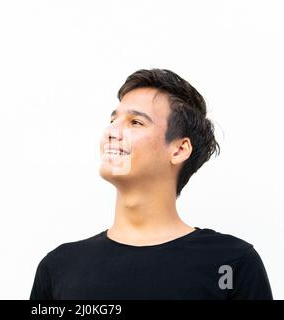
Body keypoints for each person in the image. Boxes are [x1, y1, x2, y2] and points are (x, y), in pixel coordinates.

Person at [29, 69, 273, 300]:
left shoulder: (231, 264)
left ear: (179, 149)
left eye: (136, 122)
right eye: (114, 119)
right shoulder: (59, 268)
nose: (112, 131)